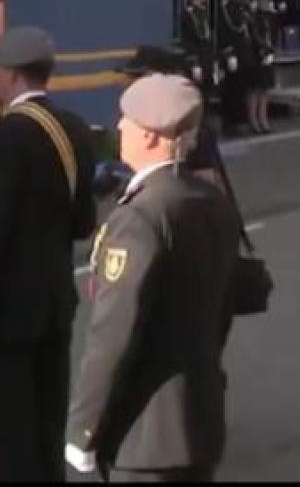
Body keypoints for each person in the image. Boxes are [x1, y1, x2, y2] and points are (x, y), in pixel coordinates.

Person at [65, 75, 239, 482]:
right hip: (199, 418)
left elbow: (113, 334)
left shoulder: (141, 217)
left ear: (148, 136)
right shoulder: (212, 200)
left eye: (126, 120)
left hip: (145, 434)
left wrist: (85, 428)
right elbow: (223, 309)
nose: (119, 127)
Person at [0, 26, 98, 483]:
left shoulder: (7, 137)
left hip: (8, 314)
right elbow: (83, 223)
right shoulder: (73, 128)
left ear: (11, 74)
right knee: (47, 429)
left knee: (8, 438)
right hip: (54, 302)